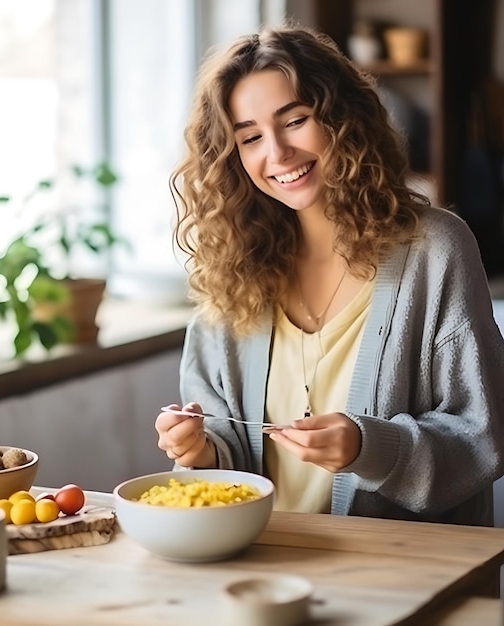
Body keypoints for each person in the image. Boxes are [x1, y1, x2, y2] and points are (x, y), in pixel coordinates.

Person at [154, 23, 504, 526]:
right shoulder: (232, 266)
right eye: (250, 137)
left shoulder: (434, 250)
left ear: (342, 118)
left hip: (402, 575)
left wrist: (369, 446)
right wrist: (198, 448)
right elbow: (226, 448)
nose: (276, 153)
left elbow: (482, 436)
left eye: (295, 120)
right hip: (268, 568)